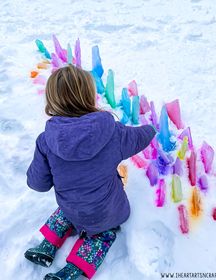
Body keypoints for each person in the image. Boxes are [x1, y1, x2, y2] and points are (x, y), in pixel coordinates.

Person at [24, 64, 156, 280]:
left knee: (63, 214)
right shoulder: (113, 132)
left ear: (52, 100)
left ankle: (48, 244)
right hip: (109, 213)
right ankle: (72, 270)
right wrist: (151, 128)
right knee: (102, 235)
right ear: (88, 96)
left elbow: (38, 184)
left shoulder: (46, 141)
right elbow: (140, 137)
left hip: (71, 208)